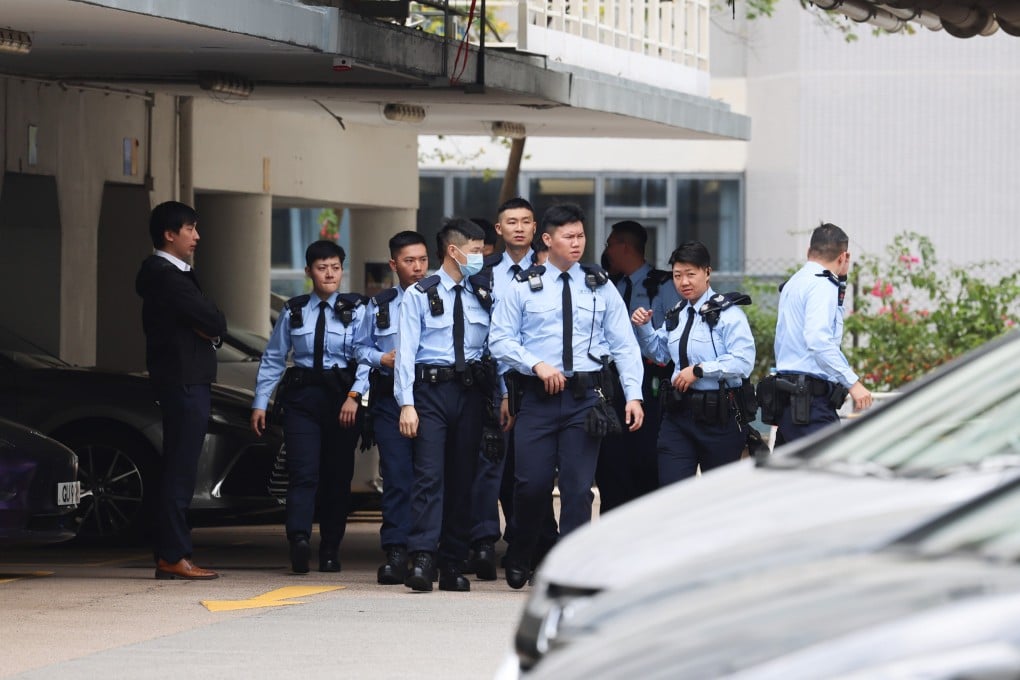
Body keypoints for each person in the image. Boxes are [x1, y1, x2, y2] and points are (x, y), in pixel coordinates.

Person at [489, 203, 645, 589]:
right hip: (538, 398)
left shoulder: (599, 284)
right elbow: (500, 340)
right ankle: (523, 549)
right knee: (532, 485)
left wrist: (633, 395)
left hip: (585, 398)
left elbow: (624, 344)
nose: (577, 244)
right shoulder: (521, 286)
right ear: (548, 239)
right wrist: (535, 365)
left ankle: (571, 566)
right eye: (568, 237)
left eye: (581, 236)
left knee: (577, 489)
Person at [251, 240, 368, 574]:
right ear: (308, 272)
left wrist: (355, 396)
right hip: (303, 399)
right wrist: (260, 402)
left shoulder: (357, 310)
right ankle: (299, 541)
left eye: (335, 267)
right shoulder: (294, 310)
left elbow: (366, 358)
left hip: (342, 399)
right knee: (303, 473)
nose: (329, 274)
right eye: (321, 268)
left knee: (337, 477)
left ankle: (331, 548)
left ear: (342, 270)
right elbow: (274, 358)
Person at [396, 218, 493, 592]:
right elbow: (405, 354)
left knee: (462, 478)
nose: (480, 258)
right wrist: (407, 404)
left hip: (469, 394)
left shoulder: (481, 295)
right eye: (474, 251)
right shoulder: (419, 294)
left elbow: (489, 350)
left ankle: (453, 562)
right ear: (453, 251)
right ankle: (421, 557)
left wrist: (498, 396)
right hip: (429, 393)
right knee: (429, 476)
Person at [135, 200, 226, 580]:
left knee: (180, 467)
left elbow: (211, 325)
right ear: (169, 234)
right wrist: (208, 326)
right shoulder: (165, 274)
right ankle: (173, 554)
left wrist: (209, 328)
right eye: (190, 228)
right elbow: (214, 319)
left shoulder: (172, 274)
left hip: (185, 377)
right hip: (184, 379)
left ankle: (170, 552)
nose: (197, 236)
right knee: (180, 469)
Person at [631, 241, 756, 485]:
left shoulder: (729, 314)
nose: (684, 282)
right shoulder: (676, 314)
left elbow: (743, 361)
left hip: (719, 416)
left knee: (717, 498)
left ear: (707, 273)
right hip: (679, 415)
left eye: (691, 274)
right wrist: (644, 326)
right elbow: (659, 353)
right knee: (672, 491)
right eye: (678, 276)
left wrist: (699, 371)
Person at [465, 198, 544, 580]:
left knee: (530, 470)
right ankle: (482, 542)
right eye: (511, 222)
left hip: (535, 383)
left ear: (535, 228)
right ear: (498, 229)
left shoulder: (551, 271)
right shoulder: (481, 273)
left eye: (525, 222)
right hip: (488, 384)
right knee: (488, 465)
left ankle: (524, 542)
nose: (518, 228)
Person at [354, 230, 430, 584]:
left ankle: (428, 550)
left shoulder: (439, 297)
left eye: (422, 260)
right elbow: (359, 347)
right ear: (393, 264)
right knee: (397, 476)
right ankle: (397, 549)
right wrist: (381, 358)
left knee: (430, 476)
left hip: (430, 398)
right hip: (388, 400)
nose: (417, 268)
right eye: (409, 261)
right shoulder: (379, 303)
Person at [596, 220, 681, 513]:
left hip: (652, 383)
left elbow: (674, 339)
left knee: (647, 456)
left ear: (623, 247)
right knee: (612, 457)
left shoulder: (665, 285)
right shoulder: (608, 286)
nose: (606, 252)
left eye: (609, 244)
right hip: (613, 382)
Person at [772, 222, 872, 444]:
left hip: (791, 398)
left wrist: (842, 280)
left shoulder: (795, 282)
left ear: (809, 251)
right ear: (843, 257)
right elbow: (819, 341)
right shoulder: (822, 285)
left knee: (789, 475)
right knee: (828, 472)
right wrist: (853, 384)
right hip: (810, 403)